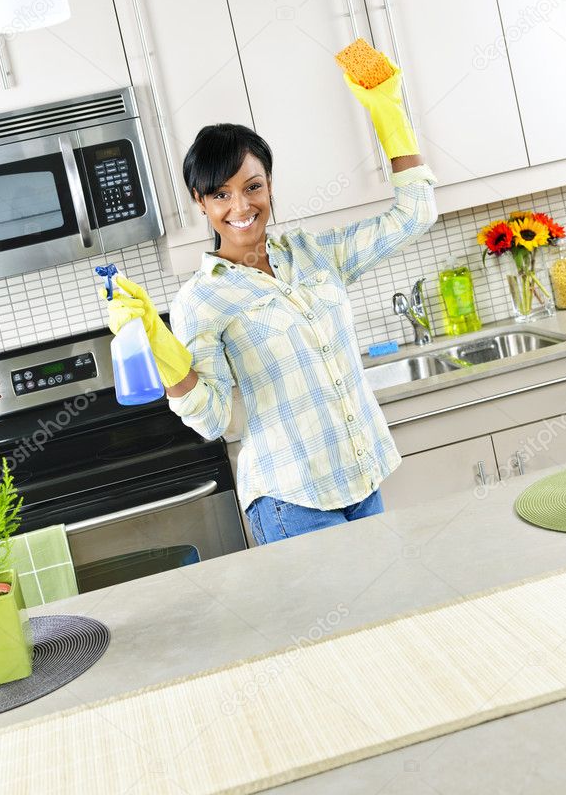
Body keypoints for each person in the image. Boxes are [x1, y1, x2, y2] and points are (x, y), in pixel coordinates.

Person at [108, 60, 438, 544]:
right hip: (292, 501)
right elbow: (211, 417)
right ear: (200, 202)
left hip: (363, 479)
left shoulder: (313, 254)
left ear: (270, 184)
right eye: (221, 194)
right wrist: (158, 341)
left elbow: (415, 213)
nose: (240, 207)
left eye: (253, 186)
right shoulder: (202, 299)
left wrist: (388, 112)